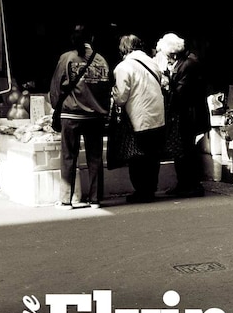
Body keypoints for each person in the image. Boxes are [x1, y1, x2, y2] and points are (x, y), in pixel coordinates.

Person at [49, 24, 111, 209]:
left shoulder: (67, 58)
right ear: (91, 39)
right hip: (95, 116)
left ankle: (66, 199)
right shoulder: (101, 60)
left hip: (71, 114)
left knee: (68, 156)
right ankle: (95, 199)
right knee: (95, 157)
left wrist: (55, 107)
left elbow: (56, 87)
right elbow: (106, 89)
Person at [111, 34, 166, 203]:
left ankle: (142, 191)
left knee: (137, 157)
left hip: (139, 118)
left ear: (123, 49)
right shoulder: (152, 62)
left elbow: (121, 97)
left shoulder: (123, 67)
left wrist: (113, 94)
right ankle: (150, 189)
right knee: (153, 156)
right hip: (158, 116)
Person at [157, 33, 210, 197]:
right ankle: (185, 183)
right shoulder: (185, 63)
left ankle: (190, 185)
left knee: (186, 151)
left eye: (166, 55)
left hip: (188, 116)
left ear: (172, 53)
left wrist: (167, 86)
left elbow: (181, 93)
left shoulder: (187, 65)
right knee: (184, 150)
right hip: (187, 115)